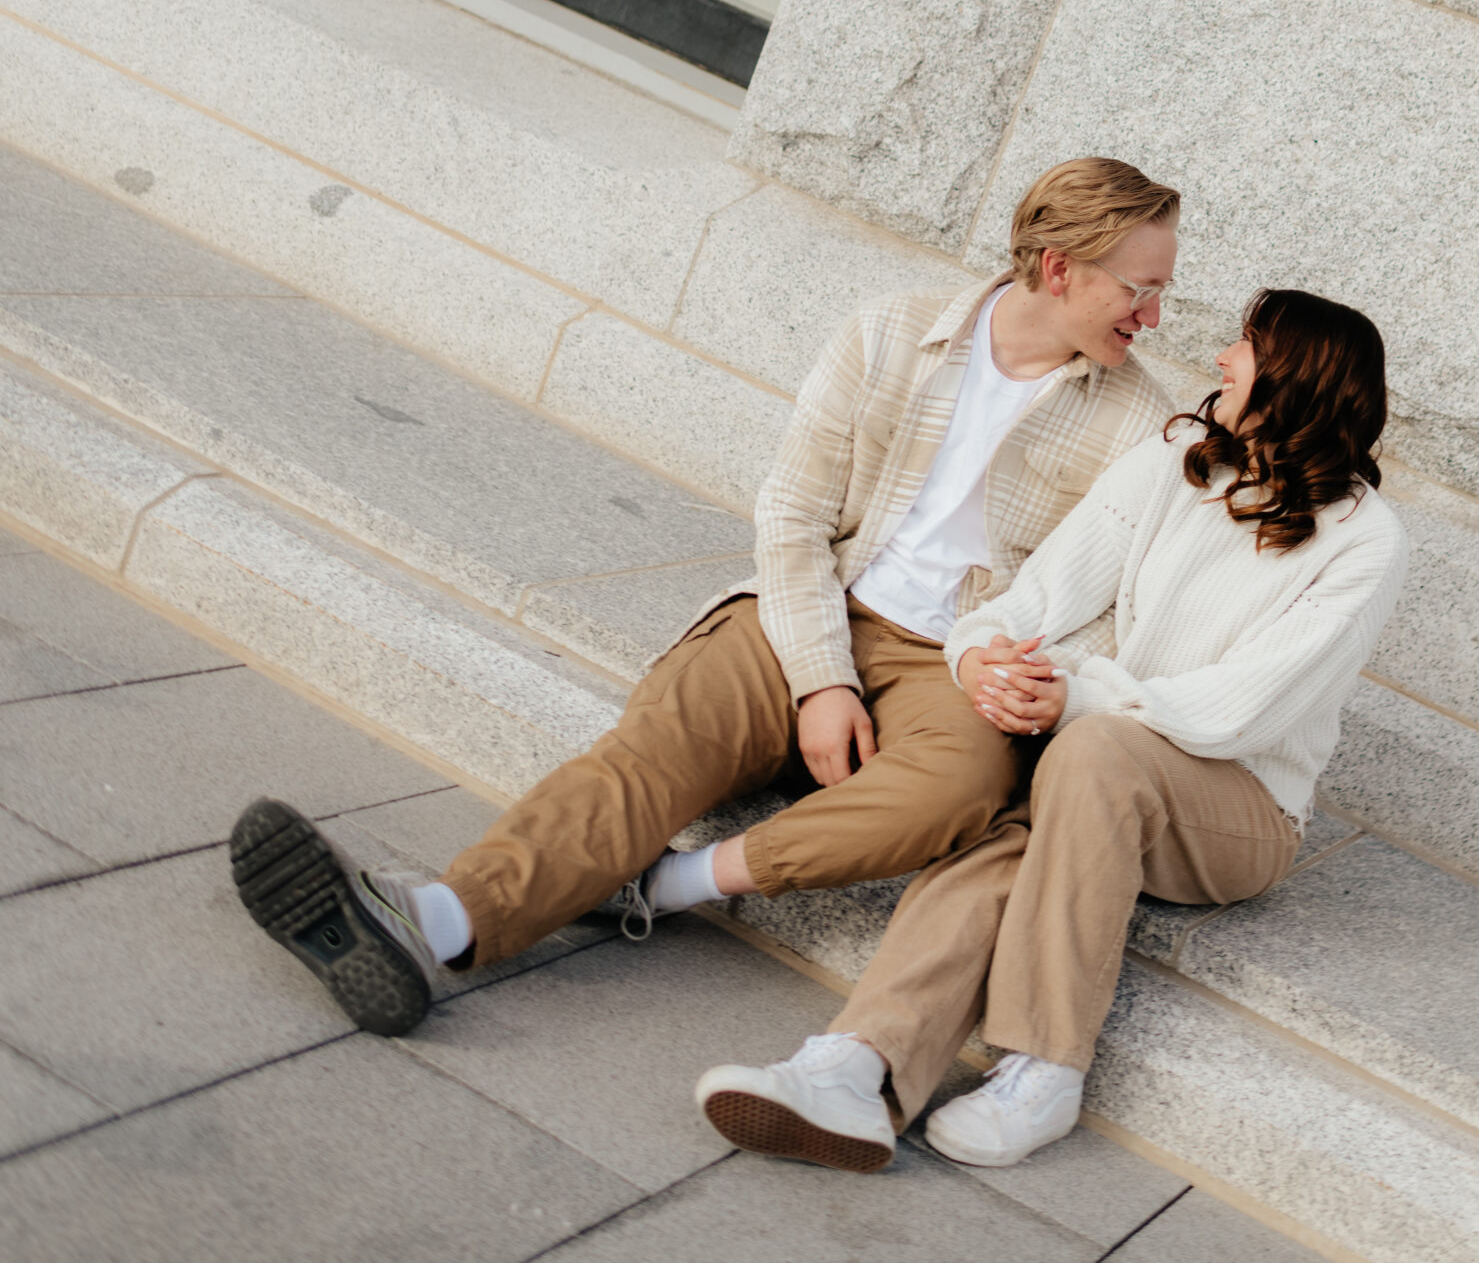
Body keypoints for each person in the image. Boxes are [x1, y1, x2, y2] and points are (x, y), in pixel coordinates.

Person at [228, 158, 1185, 1036]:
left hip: (958, 664)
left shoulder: (1143, 418)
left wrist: (1033, 671)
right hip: (810, 603)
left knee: (960, 790)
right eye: (1139, 291)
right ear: (1059, 268)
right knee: (657, 752)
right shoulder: (893, 332)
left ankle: (666, 882)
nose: (1151, 320)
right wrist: (821, 678)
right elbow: (794, 514)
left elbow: (1110, 598)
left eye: (1159, 295)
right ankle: (432, 919)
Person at [690, 288, 1409, 1173]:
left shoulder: (1365, 542)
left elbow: (1236, 711)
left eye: (1245, 345)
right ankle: (857, 1068)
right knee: (1007, 845)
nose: (1220, 356)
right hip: (1102, 770)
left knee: (1094, 750)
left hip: (1240, 808)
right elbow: (1035, 598)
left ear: (1299, 373)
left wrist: (1070, 697)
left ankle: (1045, 1067)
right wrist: (982, 658)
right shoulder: (1180, 460)